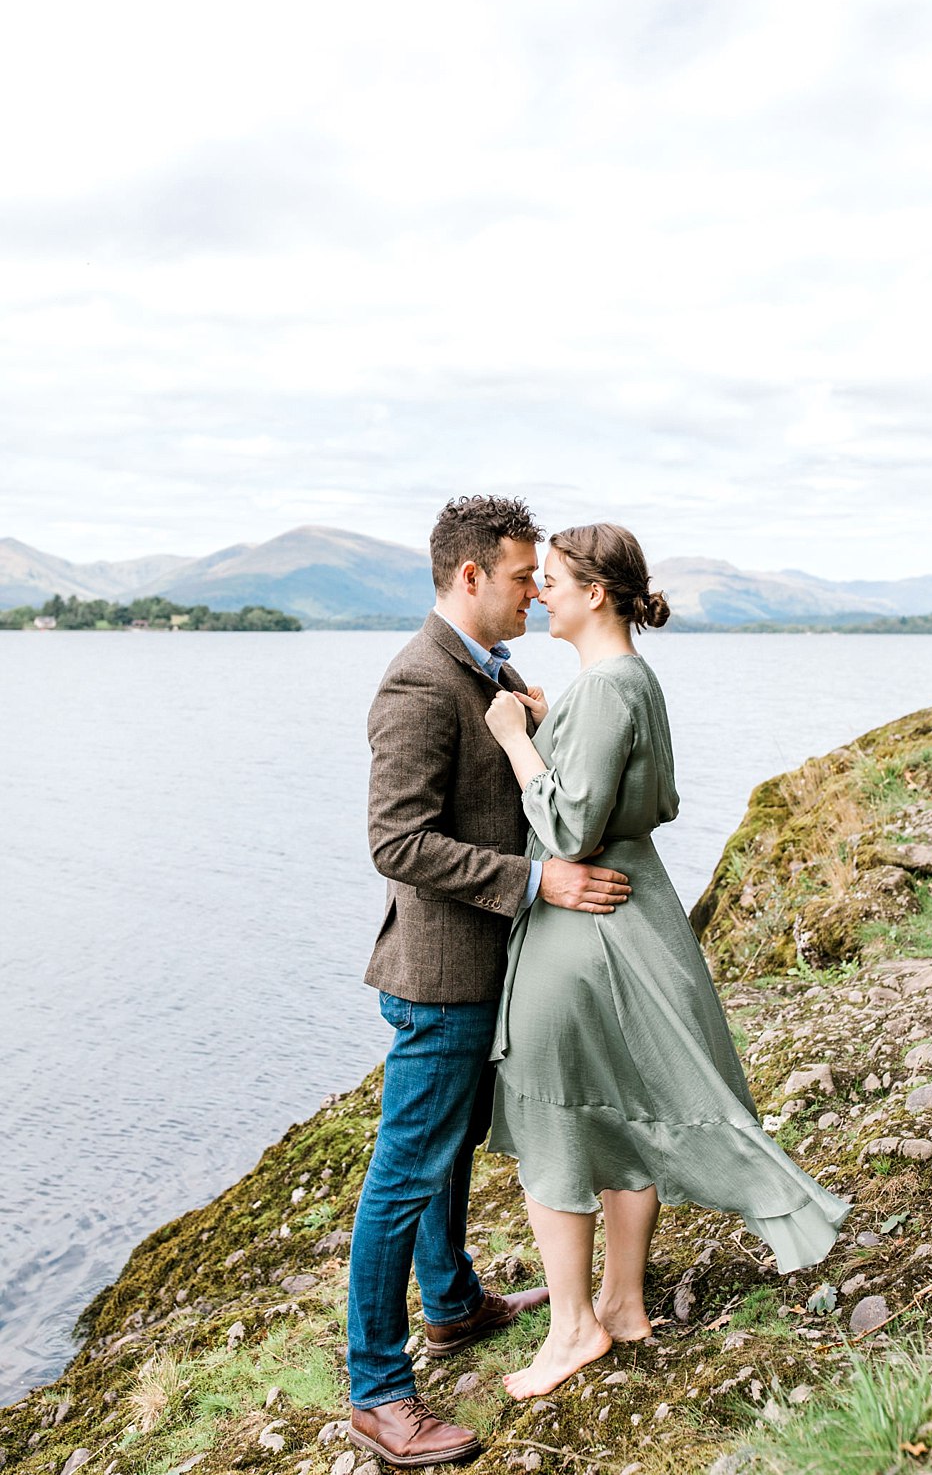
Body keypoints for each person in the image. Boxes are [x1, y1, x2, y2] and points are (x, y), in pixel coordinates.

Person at [484, 522, 851, 1401]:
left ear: (594, 594)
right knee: (629, 1102)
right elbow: (662, 796)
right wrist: (552, 722)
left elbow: (570, 826)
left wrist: (513, 735)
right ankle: (620, 1301)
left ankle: (573, 1328)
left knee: (558, 1115)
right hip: (636, 907)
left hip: (587, 929)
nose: (541, 593)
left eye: (554, 581)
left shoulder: (606, 688)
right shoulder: (622, 682)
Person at [346, 497, 635, 1468]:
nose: (532, 591)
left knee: (453, 1146)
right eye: (521, 577)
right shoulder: (418, 684)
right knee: (403, 1175)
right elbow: (396, 842)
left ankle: (454, 1303)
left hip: (485, 966)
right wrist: (533, 881)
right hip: (440, 975)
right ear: (469, 577)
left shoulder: (494, 672)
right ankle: (377, 1390)